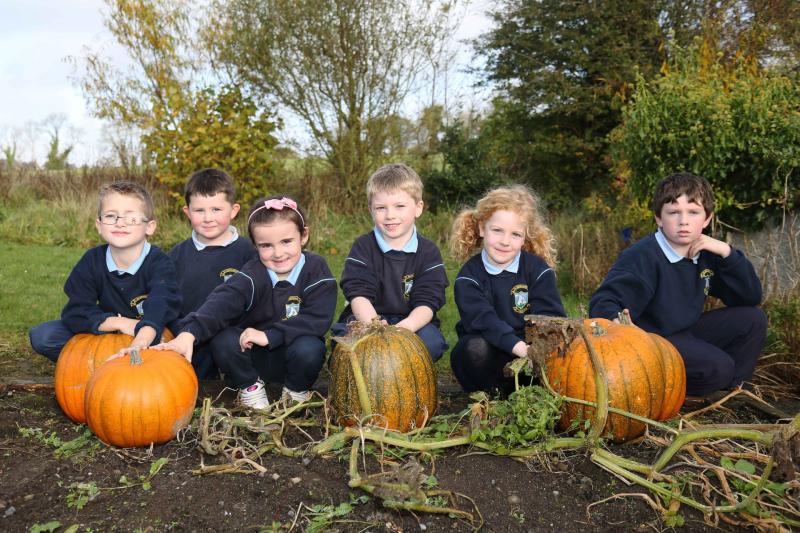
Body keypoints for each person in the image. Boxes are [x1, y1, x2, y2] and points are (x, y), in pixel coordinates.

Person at [589, 172, 766, 397]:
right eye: (674, 213)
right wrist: (620, 325)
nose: (684, 221)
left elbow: (749, 297)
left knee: (753, 319)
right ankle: (665, 391)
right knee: (718, 367)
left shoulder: (706, 254)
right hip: (652, 342)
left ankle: (735, 392)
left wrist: (727, 252)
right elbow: (603, 302)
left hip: (686, 331)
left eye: (693, 212)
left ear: (707, 218)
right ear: (659, 218)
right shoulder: (643, 256)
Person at [161, 196, 337, 409]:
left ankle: (296, 390)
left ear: (304, 236)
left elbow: (316, 319)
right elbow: (221, 302)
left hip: (293, 354)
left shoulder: (316, 270)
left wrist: (270, 335)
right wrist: (189, 333)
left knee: (311, 348)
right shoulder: (253, 273)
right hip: (253, 357)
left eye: (286, 241)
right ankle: (251, 388)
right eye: (266, 245)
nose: (278, 253)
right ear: (255, 246)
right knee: (223, 340)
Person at [29, 181, 181, 361]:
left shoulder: (160, 263)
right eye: (110, 216)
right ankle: (97, 368)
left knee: (176, 338)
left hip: (150, 332)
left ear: (149, 227)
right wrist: (119, 323)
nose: (119, 224)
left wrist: (142, 338)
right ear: (99, 225)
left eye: (131, 218)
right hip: (107, 330)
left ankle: (132, 368)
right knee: (44, 336)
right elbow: (76, 311)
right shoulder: (92, 260)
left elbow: (161, 304)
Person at [449, 185, 566, 393]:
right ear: (482, 228)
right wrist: (521, 349)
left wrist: (535, 352)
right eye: (497, 231)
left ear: (525, 237)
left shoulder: (538, 270)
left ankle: (530, 395)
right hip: (488, 358)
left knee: (564, 353)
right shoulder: (469, 277)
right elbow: (485, 321)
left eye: (515, 234)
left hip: (530, 357)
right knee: (472, 349)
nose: (505, 241)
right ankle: (490, 399)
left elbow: (551, 317)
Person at [331, 163, 449, 361]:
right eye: (381, 208)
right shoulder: (363, 246)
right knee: (345, 345)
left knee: (431, 343)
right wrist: (375, 327)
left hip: (411, 320)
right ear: (371, 209)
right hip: (367, 318)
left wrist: (406, 328)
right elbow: (358, 294)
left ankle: (406, 384)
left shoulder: (428, 251)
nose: (390, 215)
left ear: (418, 208)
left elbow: (429, 301)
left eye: (399, 206)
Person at [168, 168, 256, 379]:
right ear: (187, 212)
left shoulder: (249, 253)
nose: (208, 218)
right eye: (199, 211)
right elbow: (168, 302)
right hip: (191, 338)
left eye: (216, 209)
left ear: (233, 210)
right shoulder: (175, 256)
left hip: (236, 339)